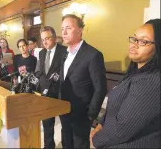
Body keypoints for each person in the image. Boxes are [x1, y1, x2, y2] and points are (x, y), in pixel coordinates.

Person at [91, 19, 161, 149]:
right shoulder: (135, 72)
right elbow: (115, 105)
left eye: (143, 41)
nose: (134, 44)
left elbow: (123, 126)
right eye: (134, 39)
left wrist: (96, 139)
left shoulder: (153, 81)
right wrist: (100, 124)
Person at [59, 14, 107, 148]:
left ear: (79, 31)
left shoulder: (93, 55)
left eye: (68, 28)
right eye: (62, 28)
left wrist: (90, 115)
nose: (63, 32)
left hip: (82, 115)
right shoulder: (65, 53)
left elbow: (100, 88)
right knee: (66, 144)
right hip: (64, 111)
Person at [35, 26, 67, 149]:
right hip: (45, 93)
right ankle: (48, 146)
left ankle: (66, 145)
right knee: (47, 123)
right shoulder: (42, 52)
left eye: (47, 38)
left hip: (61, 93)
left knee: (65, 123)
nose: (45, 42)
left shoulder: (64, 51)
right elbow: (40, 71)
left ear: (54, 38)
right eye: (43, 40)